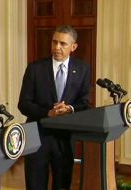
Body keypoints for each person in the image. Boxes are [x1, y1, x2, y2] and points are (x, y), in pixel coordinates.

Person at [18, 25, 91, 190]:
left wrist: (70, 109)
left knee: (62, 185)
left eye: (63, 44)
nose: (57, 47)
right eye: (54, 42)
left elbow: (85, 102)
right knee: (35, 185)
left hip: (64, 138)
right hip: (37, 135)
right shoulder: (35, 69)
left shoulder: (82, 69)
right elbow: (23, 104)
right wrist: (47, 113)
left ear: (73, 47)